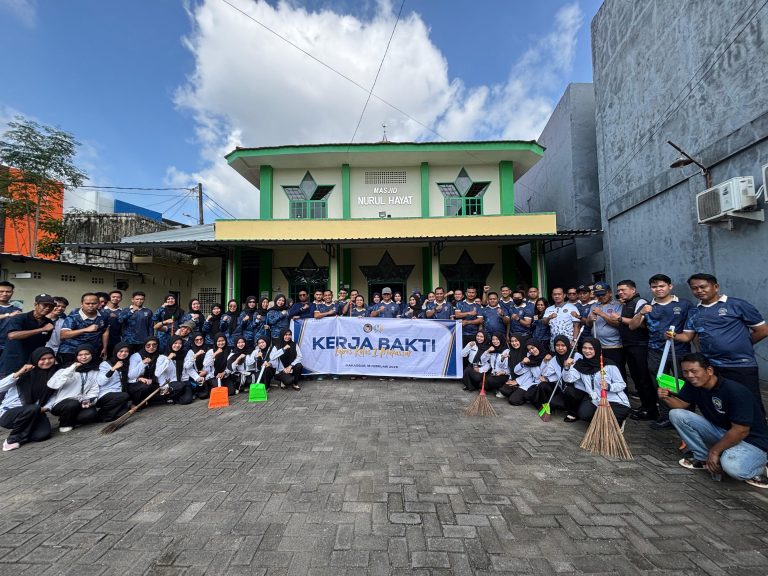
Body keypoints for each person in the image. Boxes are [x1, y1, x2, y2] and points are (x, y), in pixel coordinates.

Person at [660, 353, 768, 488]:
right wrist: (665, 397)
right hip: (724, 432)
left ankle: (759, 466)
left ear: (709, 371)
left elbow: (741, 430)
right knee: (676, 414)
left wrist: (715, 451)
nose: (690, 376)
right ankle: (702, 458)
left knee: (732, 467)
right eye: (686, 372)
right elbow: (681, 405)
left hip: (751, 441)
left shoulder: (734, 391)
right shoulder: (693, 384)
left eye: (694, 371)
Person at [675, 273, 768, 414]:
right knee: (721, 404)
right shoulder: (694, 312)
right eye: (695, 288)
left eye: (703, 287)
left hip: (740, 364)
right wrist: (673, 335)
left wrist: (742, 344)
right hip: (712, 366)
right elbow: (688, 336)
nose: (699, 291)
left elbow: (762, 330)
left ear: (716, 287)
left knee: (749, 402)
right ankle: (728, 433)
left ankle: (757, 435)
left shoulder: (737, 305)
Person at [628, 274, 696, 430]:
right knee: (662, 384)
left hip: (680, 352)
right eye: (654, 287)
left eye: (661, 286)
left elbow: (692, 331)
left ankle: (687, 417)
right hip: (656, 352)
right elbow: (632, 326)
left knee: (683, 384)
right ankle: (666, 416)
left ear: (670, 286)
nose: (658, 289)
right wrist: (641, 313)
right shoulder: (648, 306)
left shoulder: (685, 305)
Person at [561, 337, 631, 425]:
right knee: (584, 415)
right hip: (596, 401)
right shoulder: (580, 364)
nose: (587, 351)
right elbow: (568, 379)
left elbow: (622, 384)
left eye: (591, 348)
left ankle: (617, 421)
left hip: (614, 401)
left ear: (597, 349)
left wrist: (609, 386)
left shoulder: (609, 364)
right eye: (584, 348)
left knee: (609, 417)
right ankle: (603, 420)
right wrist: (566, 367)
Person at [0, 347, 58, 451]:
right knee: (32, 408)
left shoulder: (55, 374)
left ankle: (25, 432)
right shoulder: (24, 375)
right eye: (42, 359)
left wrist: (46, 408)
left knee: (42, 435)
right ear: (35, 359)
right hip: (9, 413)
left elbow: (54, 396)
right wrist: (18, 373)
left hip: (35, 412)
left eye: (50, 358)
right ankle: (12, 440)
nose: (47, 361)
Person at [615, 279, 656, 422]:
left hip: (640, 345)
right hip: (628, 345)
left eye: (623, 290)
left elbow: (640, 323)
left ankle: (651, 410)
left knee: (644, 378)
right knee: (637, 378)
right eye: (619, 290)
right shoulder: (625, 304)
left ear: (633, 290)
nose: (620, 292)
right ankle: (644, 406)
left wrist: (620, 319)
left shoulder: (640, 302)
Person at [45, 344, 100, 432]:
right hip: (62, 404)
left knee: (91, 413)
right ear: (76, 356)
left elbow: (94, 389)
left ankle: (71, 419)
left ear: (92, 355)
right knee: (72, 404)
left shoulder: (94, 371)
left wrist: (88, 400)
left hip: (80, 403)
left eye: (87, 354)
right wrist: (72, 368)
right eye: (80, 355)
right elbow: (52, 385)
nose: (84, 357)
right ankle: (64, 424)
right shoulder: (65, 369)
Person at [0, 294, 56, 378]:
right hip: (12, 362)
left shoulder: (49, 323)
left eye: (51, 306)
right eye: (44, 305)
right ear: (35, 304)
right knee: (5, 388)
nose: (48, 308)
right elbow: (12, 335)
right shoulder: (19, 318)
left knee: (25, 389)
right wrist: (41, 329)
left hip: (32, 363)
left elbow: (44, 341)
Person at [526, 335, 580, 410]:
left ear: (567, 345)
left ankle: (574, 411)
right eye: (557, 345)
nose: (560, 348)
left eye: (563, 345)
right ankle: (544, 408)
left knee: (568, 393)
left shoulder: (576, 356)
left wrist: (567, 368)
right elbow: (546, 373)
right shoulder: (555, 359)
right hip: (562, 388)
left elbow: (572, 379)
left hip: (575, 389)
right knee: (544, 387)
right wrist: (545, 362)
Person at [57, 293, 109, 367]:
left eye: (94, 303)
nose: (90, 306)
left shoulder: (104, 315)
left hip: (92, 351)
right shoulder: (73, 316)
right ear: (82, 304)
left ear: (98, 304)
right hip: (71, 351)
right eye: (87, 303)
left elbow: (105, 331)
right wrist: (85, 329)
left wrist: (104, 348)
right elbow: (63, 335)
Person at [585, 282, 625, 378]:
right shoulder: (594, 306)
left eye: (603, 294)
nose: (601, 297)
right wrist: (589, 319)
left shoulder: (618, 305)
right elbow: (588, 324)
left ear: (610, 293)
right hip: (597, 346)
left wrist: (601, 313)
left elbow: (617, 323)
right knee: (601, 373)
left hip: (613, 347)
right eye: (598, 295)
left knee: (617, 373)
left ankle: (622, 392)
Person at [95, 342, 133, 421]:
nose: (123, 353)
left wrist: (139, 379)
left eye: (126, 351)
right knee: (124, 396)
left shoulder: (126, 363)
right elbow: (101, 382)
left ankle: (110, 416)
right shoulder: (105, 364)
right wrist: (113, 369)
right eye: (121, 351)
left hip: (119, 393)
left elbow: (129, 378)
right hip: (105, 394)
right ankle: (101, 414)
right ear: (116, 351)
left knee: (123, 413)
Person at [155, 335, 195, 404]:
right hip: (168, 384)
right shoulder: (162, 357)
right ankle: (168, 396)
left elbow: (188, 368)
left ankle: (174, 398)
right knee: (181, 385)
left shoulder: (182, 355)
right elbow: (157, 373)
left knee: (187, 400)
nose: (177, 345)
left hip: (181, 382)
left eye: (180, 343)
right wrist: (168, 359)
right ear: (170, 344)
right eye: (175, 343)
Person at [507, 340, 548, 406]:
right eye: (529, 350)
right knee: (513, 400)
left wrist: (545, 362)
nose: (531, 351)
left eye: (533, 348)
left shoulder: (547, 357)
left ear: (538, 346)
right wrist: (522, 363)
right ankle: (528, 398)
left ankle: (530, 397)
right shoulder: (531, 359)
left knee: (528, 395)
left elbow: (547, 373)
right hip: (531, 382)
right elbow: (517, 371)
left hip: (542, 384)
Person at [127, 336, 162, 405]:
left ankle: (146, 401)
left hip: (152, 383)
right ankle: (136, 403)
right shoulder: (136, 356)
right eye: (148, 345)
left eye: (154, 345)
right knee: (145, 387)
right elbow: (131, 376)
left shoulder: (159, 356)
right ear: (144, 345)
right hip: (136, 384)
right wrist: (143, 363)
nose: (151, 347)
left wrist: (153, 380)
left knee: (165, 390)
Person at [0, 281, 23, 362]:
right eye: (1, 291)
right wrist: (8, 315)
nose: (5, 294)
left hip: (8, 346)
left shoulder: (17, 310)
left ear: (12, 293)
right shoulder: (12, 313)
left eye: (8, 291)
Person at [186, 333, 209, 399]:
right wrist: (196, 355)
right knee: (202, 395)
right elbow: (187, 366)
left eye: (201, 339)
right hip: (195, 375)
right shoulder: (191, 351)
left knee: (204, 395)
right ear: (193, 341)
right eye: (196, 340)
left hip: (207, 373)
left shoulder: (207, 349)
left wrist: (206, 371)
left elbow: (212, 363)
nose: (199, 341)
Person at [102, 290, 123, 357]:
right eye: (113, 297)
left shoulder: (123, 311)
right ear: (109, 298)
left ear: (121, 299)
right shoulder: (102, 310)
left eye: (118, 297)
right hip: (101, 339)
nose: (115, 298)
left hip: (116, 339)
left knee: (113, 357)